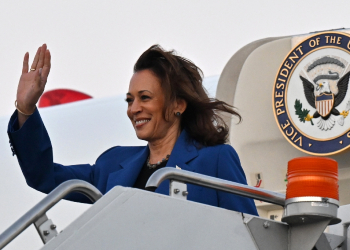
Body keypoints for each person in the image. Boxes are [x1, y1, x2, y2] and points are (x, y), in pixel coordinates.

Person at [8, 44, 258, 215]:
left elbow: (247, 233)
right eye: (130, 100)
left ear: (177, 105)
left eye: (145, 98)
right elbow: (43, 176)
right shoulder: (112, 164)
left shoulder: (215, 160)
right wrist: (26, 108)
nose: (133, 109)